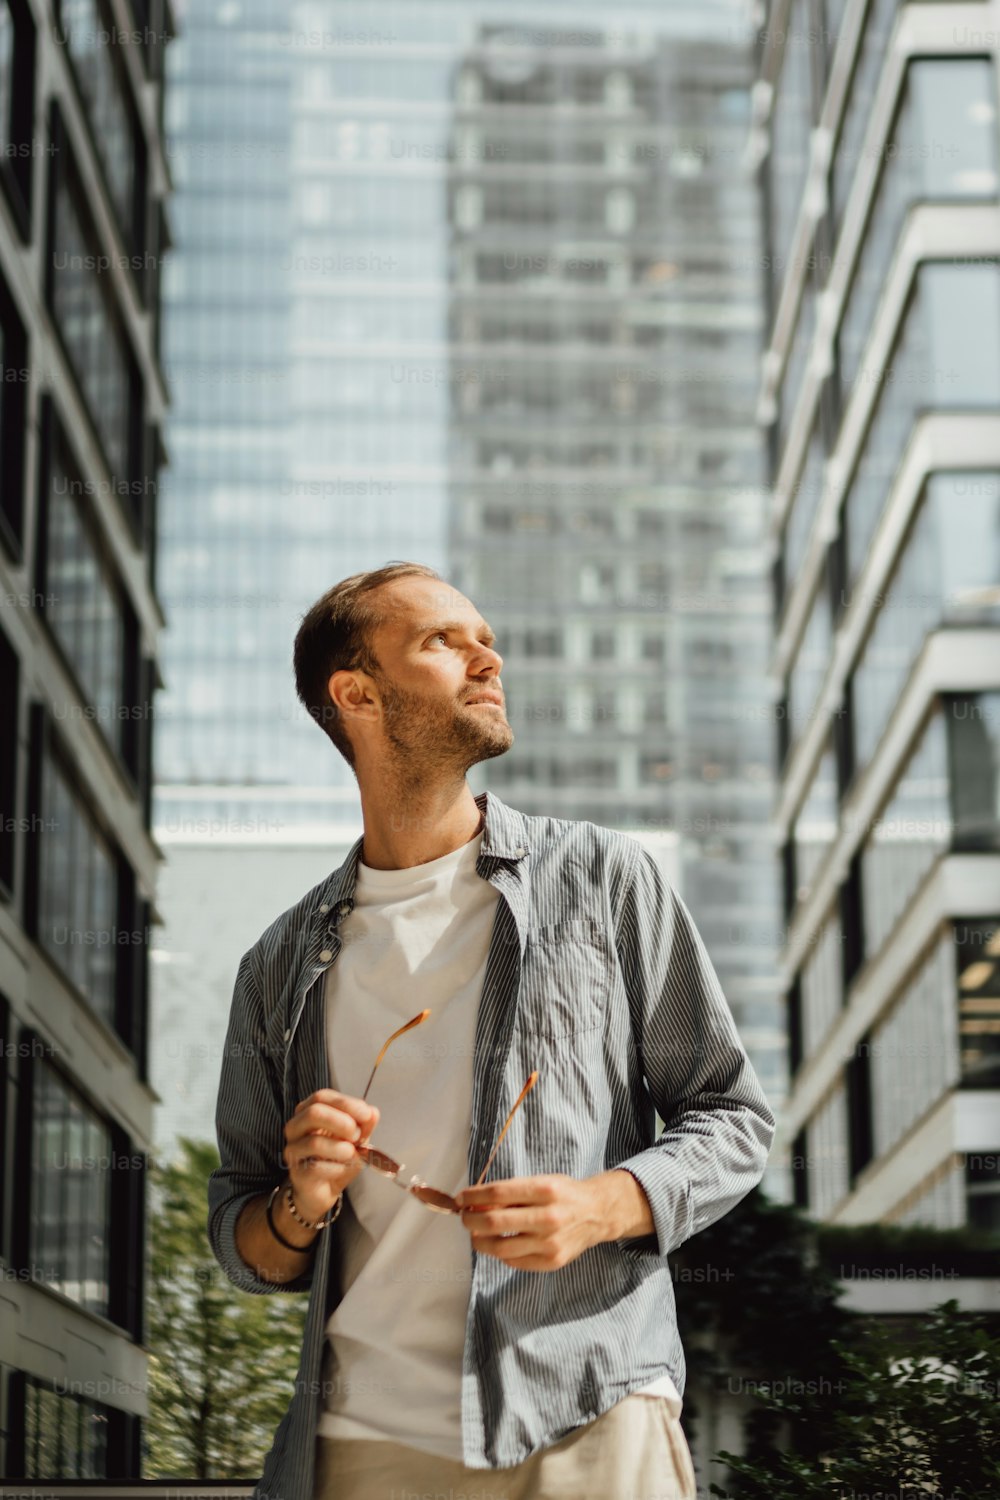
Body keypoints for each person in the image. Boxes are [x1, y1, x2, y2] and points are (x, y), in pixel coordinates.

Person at [207, 561, 776, 1500]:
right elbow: (245, 1238)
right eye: (444, 640)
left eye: (486, 636)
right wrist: (302, 1200)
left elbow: (732, 1117)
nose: (488, 656)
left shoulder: (603, 878)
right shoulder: (277, 966)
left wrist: (606, 1204)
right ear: (356, 694)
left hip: (586, 1410)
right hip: (357, 1448)